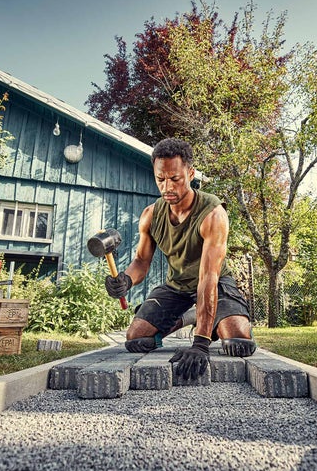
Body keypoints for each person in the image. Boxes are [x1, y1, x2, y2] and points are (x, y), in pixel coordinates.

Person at [104, 137, 256, 380]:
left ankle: (215, 320)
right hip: (177, 287)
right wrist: (126, 280)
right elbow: (141, 262)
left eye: (175, 179)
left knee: (237, 340)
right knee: (136, 338)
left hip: (214, 283)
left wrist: (201, 342)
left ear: (190, 173)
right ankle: (190, 315)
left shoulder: (213, 214)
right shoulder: (151, 215)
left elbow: (208, 278)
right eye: (160, 179)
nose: (167, 187)